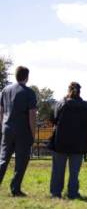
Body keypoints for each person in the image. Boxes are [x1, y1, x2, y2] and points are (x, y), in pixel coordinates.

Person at [50, 82, 87, 199]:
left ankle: (56, 193)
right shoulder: (86, 107)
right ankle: (73, 193)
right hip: (78, 144)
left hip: (60, 142)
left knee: (58, 170)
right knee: (74, 172)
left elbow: (53, 120)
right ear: (80, 92)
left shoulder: (61, 104)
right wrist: (86, 144)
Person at [0, 66, 37, 197]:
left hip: (7, 129)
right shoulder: (29, 93)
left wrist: (3, 127)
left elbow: (1, 111)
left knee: (3, 159)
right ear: (27, 77)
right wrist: (33, 134)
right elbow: (32, 115)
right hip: (23, 131)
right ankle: (15, 188)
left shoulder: (5, 90)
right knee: (21, 161)